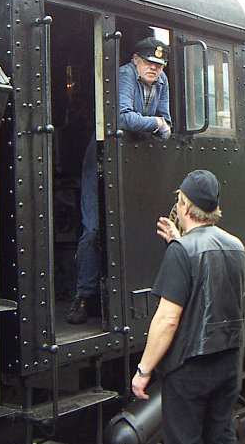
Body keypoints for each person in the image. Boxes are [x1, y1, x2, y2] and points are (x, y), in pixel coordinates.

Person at [131, 170, 245, 444]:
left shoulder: (181, 253)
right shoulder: (235, 245)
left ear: (184, 207)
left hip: (189, 368)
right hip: (227, 363)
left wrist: (144, 370)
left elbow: (167, 320)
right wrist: (179, 246)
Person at [67, 36, 172, 324]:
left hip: (134, 158)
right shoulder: (124, 76)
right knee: (93, 228)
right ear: (136, 60)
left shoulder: (161, 81)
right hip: (101, 157)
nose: (155, 69)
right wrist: (155, 124)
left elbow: (168, 124)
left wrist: (156, 124)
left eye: (159, 65)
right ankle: (83, 295)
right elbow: (123, 119)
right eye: (150, 63)